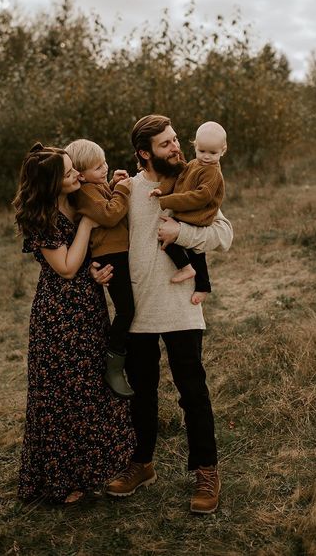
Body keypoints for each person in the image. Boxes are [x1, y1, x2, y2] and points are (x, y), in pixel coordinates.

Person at [104, 115, 233, 514]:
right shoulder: (127, 190)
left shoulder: (196, 179)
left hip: (181, 306)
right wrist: (97, 267)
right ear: (144, 153)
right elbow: (103, 234)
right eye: (166, 144)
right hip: (141, 310)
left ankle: (207, 471)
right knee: (141, 393)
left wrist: (182, 235)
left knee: (192, 392)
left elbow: (224, 234)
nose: (176, 148)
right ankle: (142, 464)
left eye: (176, 140)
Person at [13, 142, 135, 504]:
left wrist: (95, 267)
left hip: (88, 305)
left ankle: (90, 469)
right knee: (62, 397)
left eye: (74, 169)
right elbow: (65, 267)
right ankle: (59, 481)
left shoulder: (76, 197)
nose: (77, 176)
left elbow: (84, 257)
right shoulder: (42, 218)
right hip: (59, 316)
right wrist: (87, 224)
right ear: (52, 183)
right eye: (68, 174)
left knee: (88, 390)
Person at [65, 138, 134, 399]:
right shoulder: (83, 192)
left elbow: (105, 198)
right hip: (110, 256)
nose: (104, 168)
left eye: (104, 162)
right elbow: (110, 214)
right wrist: (123, 191)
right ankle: (113, 363)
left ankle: (119, 358)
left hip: (117, 252)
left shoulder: (93, 186)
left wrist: (113, 184)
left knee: (129, 307)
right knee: (126, 309)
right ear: (81, 175)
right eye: (98, 168)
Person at [150, 120, 227, 305]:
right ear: (195, 146)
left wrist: (167, 201)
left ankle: (191, 273)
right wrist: (162, 189)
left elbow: (200, 197)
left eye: (213, 153)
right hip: (189, 214)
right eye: (202, 151)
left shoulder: (212, 173)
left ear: (223, 150)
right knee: (190, 250)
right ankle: (201, 283)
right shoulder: (194, 163)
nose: (206, 157)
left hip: (198, 215)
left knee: (190, 248)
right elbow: (180, 176)